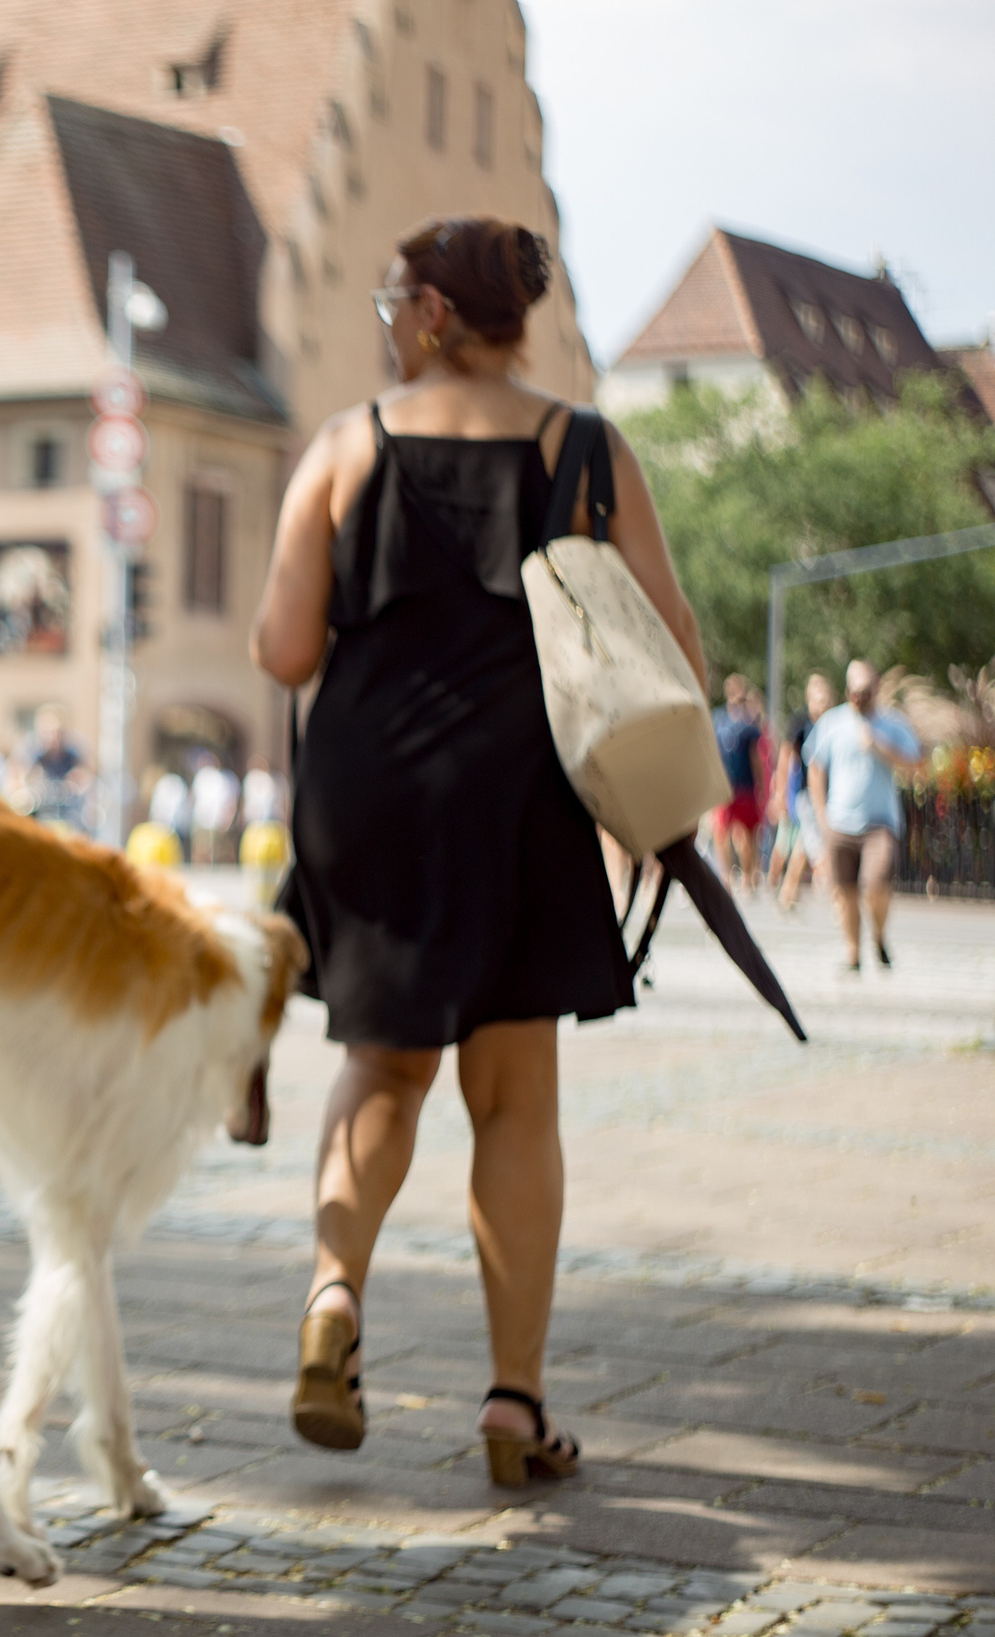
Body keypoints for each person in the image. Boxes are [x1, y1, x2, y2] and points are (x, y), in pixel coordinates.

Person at [250, 215, 708, 1485]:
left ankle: (333, 1297)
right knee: (512, 1099)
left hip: (371, 794)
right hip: (521, 793)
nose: (383, 329)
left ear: (434, 313)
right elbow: (669, 638)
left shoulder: (345, 445)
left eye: (389, 305)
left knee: (381, 1070)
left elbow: (285, 651)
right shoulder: (587, 448)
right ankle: (512, 1406)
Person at [804, 659, 920, 972]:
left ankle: (879, 936)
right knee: (845, 891)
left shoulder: (892, 723)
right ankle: (853, 952)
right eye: (853, 691)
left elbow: (915, 763)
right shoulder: (832, 722)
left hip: (879, 822)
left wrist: (879, 745)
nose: (858, 697)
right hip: (839, 822)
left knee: (876, 884)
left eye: (864, 691)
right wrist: (821, 815)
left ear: (876, 688)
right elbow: (815, 767)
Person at [770, 673, 835, 910]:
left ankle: (787, 894)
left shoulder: (833, 723)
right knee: (818, 848)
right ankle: (837, 897)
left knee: (803, 846)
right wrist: (780, 793)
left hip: (829, 795)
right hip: (807, 796)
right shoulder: (800, 723)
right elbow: (786, 757)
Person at [709, 675, 766, 892]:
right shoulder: (719, 719)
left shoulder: (749, 722)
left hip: (745, 786)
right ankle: (726, 875)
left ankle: (747, 876)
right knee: (721, 831)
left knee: (745, 834)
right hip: (725, 786)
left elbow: (755, 757)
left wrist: (760, 785)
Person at [190, 755, 241, 864]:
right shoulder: (202, 777)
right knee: (203, 849)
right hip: (204, 819)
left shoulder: (220, 778)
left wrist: (226, 819)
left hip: (213, 821)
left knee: (216, 850)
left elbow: (227, 801)